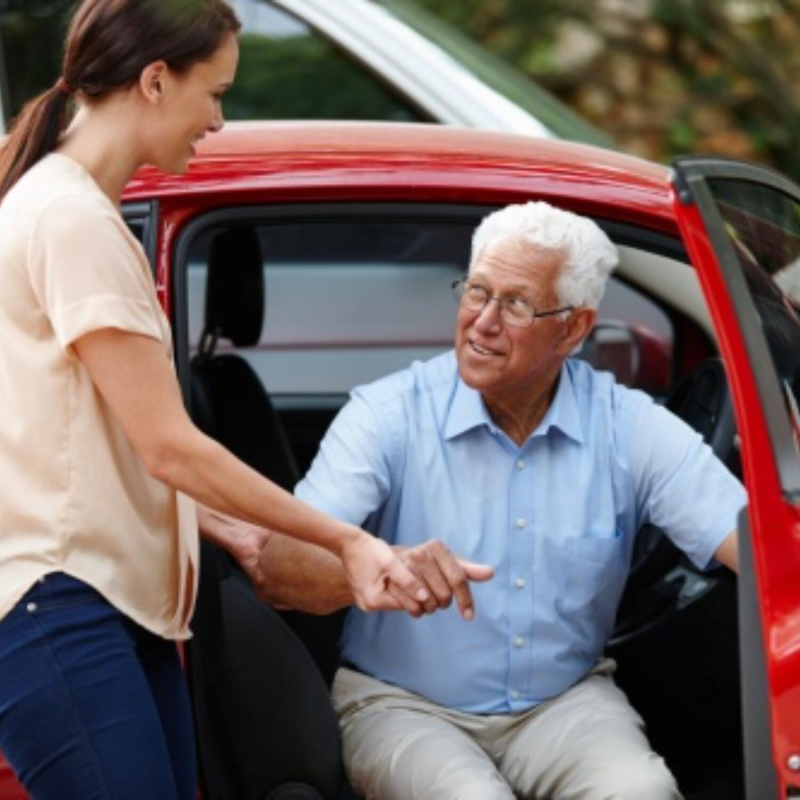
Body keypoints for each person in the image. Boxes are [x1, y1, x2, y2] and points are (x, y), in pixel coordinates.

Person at [0, 2, 430, 799]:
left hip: (108, 602)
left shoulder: (71, 208)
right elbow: (169, 446)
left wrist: (220, 523)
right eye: (216, 93)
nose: (220, 121)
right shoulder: (69, 219)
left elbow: (86, 436)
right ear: (156, 81)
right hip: (60, 606)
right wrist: (346, 541)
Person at [206, 200, 746, 800]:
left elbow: (760, 548)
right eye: (476, 291)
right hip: (403, 705)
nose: (482, 321)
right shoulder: (387, 414)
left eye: (514, 303)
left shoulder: (629, 426)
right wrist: (377, 564)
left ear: (573, 328)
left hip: (564, 703)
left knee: (642, 790)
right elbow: (276, 571)